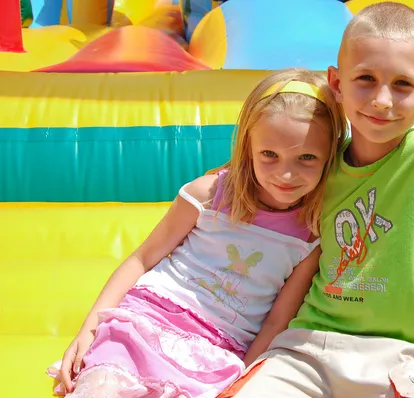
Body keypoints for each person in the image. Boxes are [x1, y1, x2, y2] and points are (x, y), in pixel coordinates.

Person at [218, 3, 414, 397]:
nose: (382, 99)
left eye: (402, 84)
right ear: (337, 83)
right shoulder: (320, 161)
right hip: (309, 344)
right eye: (366, 79)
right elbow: (253, 174)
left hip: (404, 354)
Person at [46, 68, 347, 398]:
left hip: (216, 351)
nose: (286, 174)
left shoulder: (309, 236)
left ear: (329, 156)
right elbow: (142, 259)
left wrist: (244, 379)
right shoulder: (208, 195)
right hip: (149, 320)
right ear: (248, 147)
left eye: (306, 157)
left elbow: (276, 321)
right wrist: (87, 332)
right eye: (269, 155)